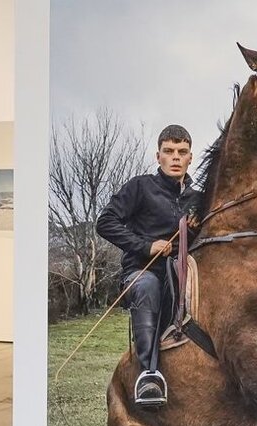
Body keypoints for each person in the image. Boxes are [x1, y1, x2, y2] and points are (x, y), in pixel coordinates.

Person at [96, 124, 202, 408]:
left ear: (191, 157)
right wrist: (146, 245)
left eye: (182, 152)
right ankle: (149, 374)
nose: (175, 157)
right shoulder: (140, 187)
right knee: (148, 286)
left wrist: (196, 227)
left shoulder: (198, 199)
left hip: (183, 274)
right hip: (141, 273)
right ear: (158, 157)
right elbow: (104, 223)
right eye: (169, 151)